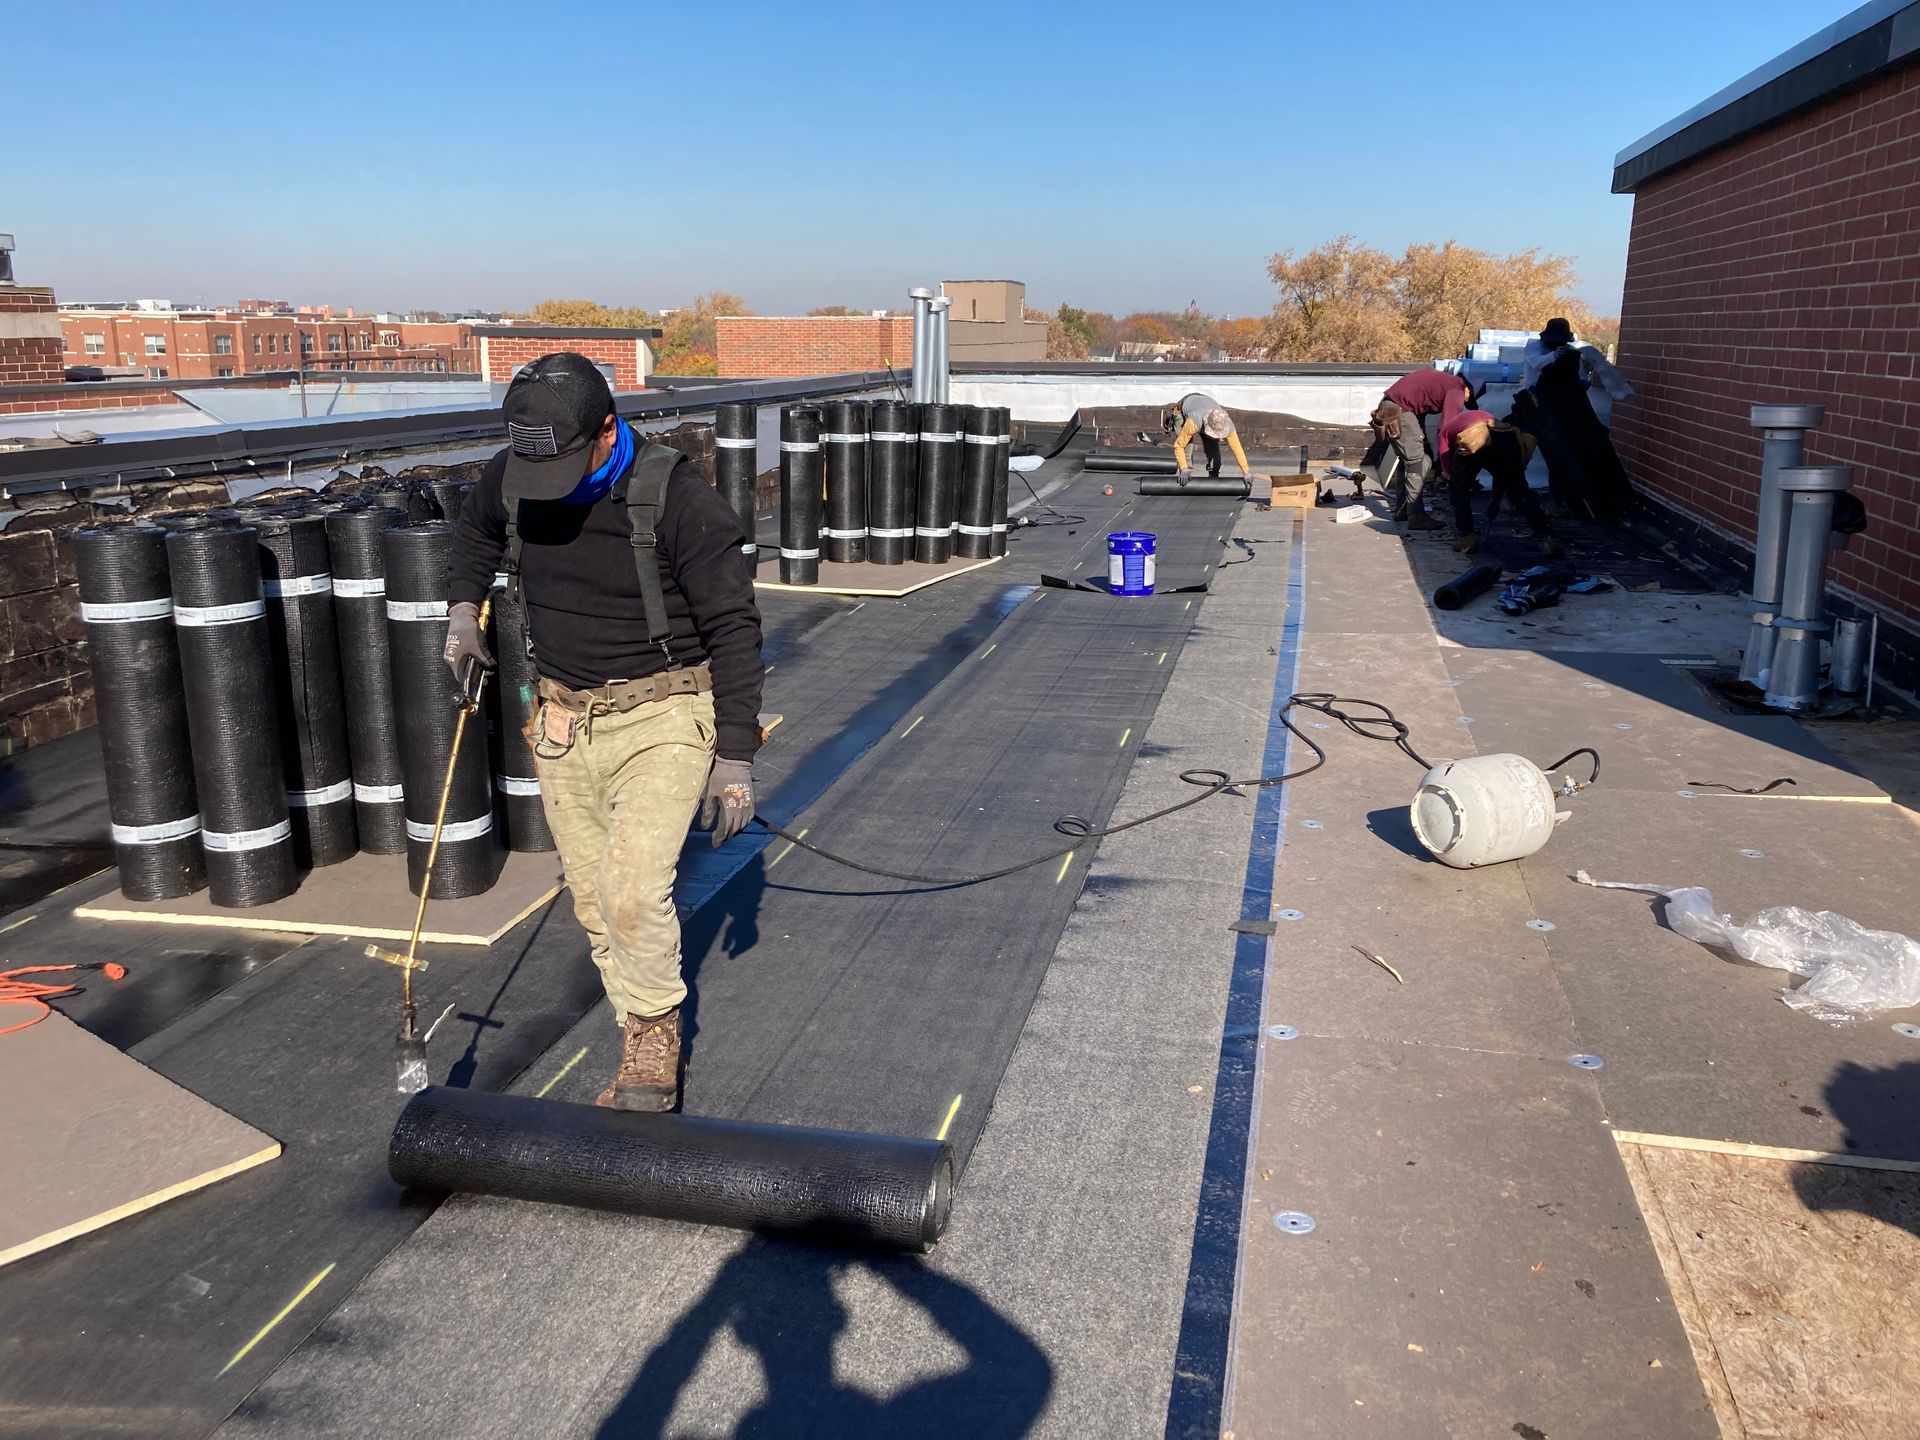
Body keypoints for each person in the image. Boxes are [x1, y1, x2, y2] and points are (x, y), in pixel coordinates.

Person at [444, 353, 764, 1112]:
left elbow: (734, 627)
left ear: (606, 431)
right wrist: (461, 614)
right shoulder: (513, 471)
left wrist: (735, 757)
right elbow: (473, 538)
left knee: (630, 891)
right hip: (561, 720)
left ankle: (653, 1031)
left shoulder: (677, 501)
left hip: (664, 712)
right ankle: (635, 1015)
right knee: (593, 899)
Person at [1516, 317, 1633, 521]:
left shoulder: (1571, 355)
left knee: (1561, 453)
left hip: (1559, 409)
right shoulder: (1535, 348)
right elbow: (1535, 365)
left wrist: (1582, 382)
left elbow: (1579, 379)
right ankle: (1510, 493)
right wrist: (1554, 355)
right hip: (1533, 405)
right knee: (1524, 449)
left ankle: (1554, 501)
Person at [1355, 369, 1477, 530]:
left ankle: (1402, 509)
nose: (1464, 402)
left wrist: (1426, 442)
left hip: (1392, 406)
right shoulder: (1457, 389)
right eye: (1467, 399)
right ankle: (1416, 516)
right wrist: (1447, 463)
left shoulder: (1444, 382)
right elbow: (1446, 429)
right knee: (1418, 461)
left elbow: (1419, 408)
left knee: (1409, 460)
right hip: (1400, 410)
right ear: (1468, 389)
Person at [1440, 407, 1561, 557]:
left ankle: (1466, 538)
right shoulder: (1485, 418)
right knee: (1520, 492)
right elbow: (1501, 473)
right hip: (1508, 438)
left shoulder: (1446, 431)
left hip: (1475, 435)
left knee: (1458, 492)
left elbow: (1447, 463)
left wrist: (1457, 480)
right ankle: (1548, 536)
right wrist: (1495, 499)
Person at [1160, 393, 1253, 482]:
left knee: (1213, 446)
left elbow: (1237, 449)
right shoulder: (1194, 421)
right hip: (1185, 407)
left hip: (1203, 405)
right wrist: (1184, 468)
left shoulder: (1226, 423)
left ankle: (1214, 473)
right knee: (1187, 446)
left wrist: (1246, 472)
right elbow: (1179, 445)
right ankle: (1185, 475)